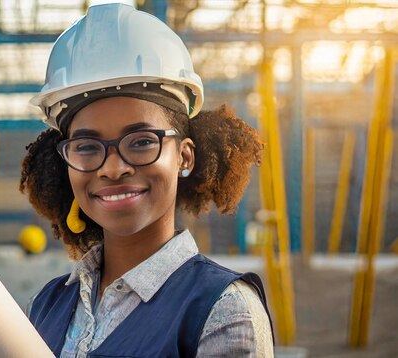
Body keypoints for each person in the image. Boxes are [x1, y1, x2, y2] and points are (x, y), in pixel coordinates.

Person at [20, 3, 274, 357]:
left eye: (140, 142)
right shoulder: (47, 305)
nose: (112, 168)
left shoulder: (221, 311)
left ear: (184, 156)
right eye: (87, 146)